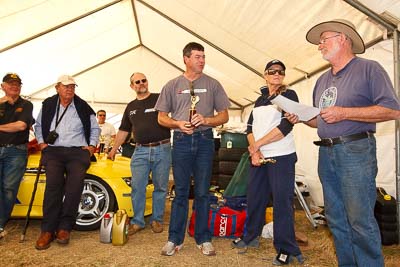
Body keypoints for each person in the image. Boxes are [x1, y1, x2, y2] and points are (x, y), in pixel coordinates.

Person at [286, 19, 400, 266]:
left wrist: (345, 112)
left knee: (360, 219)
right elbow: (322, 122)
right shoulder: (322, 81)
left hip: (355, 151)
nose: (320, 46)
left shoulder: (369, 69)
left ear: (343, 39)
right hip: (327, 153)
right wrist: (302, 119)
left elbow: (392, 110)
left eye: (324, 39)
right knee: (336, 218)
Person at [156, 42, 230, 256]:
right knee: (180, 192)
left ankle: (203, 238)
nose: (202, 60)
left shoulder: (213, 84)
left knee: (202, 192)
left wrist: (206, 119)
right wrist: (178, 124)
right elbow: (161, 117)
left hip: (205, 140)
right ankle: (174, 239)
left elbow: (224, 115)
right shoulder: (172, 85)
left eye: (203, 56)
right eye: (197, 57)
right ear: (186, 59)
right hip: (180, 141)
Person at [231, 60, 305, 265]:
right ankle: (251, 236)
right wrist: (255, 151)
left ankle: (286, 248)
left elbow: (285, 127)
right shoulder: (259, 100)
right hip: (259, 156)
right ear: (265, 75)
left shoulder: (289, 96)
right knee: (255, 198)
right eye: (272, 71)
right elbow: (249, 129)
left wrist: (257, 146)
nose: (276, 74)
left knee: (282, 202)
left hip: (281, 156)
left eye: (280, 71)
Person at [34, 75, 100, 250]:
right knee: (53, 187)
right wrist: (41, 143)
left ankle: (65, 228)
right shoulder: (48, 104)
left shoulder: (83, 106)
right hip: (53, 151)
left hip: (77, 152)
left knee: (74, 188)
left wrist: (92, 146)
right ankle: (47, 230)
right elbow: (38, 126)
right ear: (57, 87)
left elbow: (95, 127)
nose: (70, 89)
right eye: (66, 86)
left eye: (72, 86)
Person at [108, 72, 171, 235]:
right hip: (140, 151)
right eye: (137, 82)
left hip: (162, 149)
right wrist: (114, 149)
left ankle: (157, 220)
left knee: (161, 187)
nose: (141, 83)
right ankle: (138, 221)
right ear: (132, 86)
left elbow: (174, 114)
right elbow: (124, 130)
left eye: (144, 80)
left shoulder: (160, 98)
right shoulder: (130, 107)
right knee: (137, 187)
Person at [0, 73, 34, 239]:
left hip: (16, 151)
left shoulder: (26, 104)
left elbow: (21, 126)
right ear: (3, 86)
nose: (15, 86)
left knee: (9, 188)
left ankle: (0, 224)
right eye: (11, 83)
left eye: (17, 84)